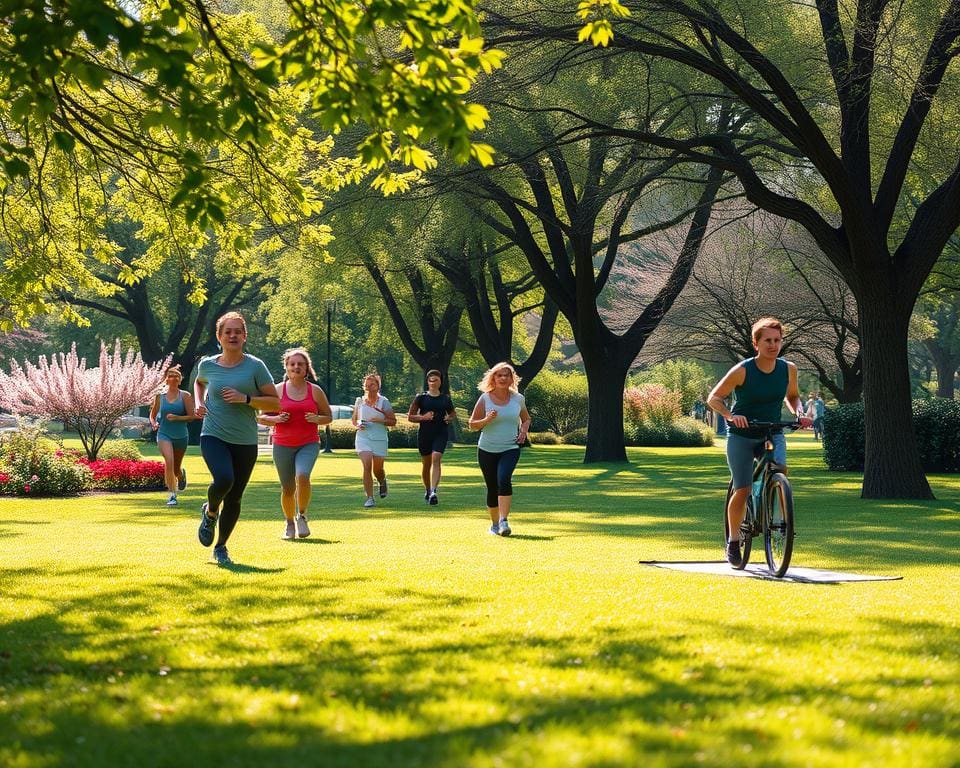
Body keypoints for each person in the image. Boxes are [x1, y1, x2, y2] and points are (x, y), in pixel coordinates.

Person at [708, 317, 801, 567]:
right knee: (743, 488)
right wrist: (730, 416)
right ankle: (734, 541)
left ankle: (781, 520)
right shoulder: (743, 370)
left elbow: (792, 397)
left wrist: (799, 414)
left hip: (772, 431)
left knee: (780, 471)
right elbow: (714, 398)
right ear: (756, 343)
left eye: (777, 340)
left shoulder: (788, 369)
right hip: (742, 436)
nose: (773, 345)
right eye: (768, 340)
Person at [194, 311, 280, 565]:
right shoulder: (207, 365)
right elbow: (199, 383)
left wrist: (247, 399)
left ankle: (221, 547)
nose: (233, 336)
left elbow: (275, 401)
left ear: (245, 336)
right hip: (213, 434)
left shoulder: (255, 366)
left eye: (237, 332)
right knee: (224, 479)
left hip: (244, 440)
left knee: (235, 496)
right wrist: (199, 403)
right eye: (227, 332)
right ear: (219, 337)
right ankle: (210, 513)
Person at [257, 348, 332, 540]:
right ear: (287, 368)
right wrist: (276, 420)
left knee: (303, 476)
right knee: (288, 488)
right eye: (292, 364)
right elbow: (261, 417)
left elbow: (328, 417)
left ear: (307, 368)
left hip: (308, 443)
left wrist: (316, 418)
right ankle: (289, 523)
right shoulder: (277, 390)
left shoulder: (315, 391)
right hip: (282, 444)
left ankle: (302, 515)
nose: (296, 367)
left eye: (300, 364)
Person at [468, 362, 531, 537]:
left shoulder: (518, 399)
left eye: (506, 375)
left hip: (510, 448)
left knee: (504, 479)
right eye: (499, 375)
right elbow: (472, 425)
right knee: (492, 486)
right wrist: (486, 420)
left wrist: (523, 431)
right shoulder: (485, 398)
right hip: (487, 449)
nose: (503, 378)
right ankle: (494, 524)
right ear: (493, 378)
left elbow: (526, 419)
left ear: (512, 379)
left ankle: (504, 520)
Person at [407, 369, 456, 505]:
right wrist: (423, 417)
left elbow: (453, 413)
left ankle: (434, 491)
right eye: (431, 380)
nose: (433, 382)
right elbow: (410, 417)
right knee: (426, 464)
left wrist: (449, 417)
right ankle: (428, 490)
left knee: (436, 457)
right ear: (427, 382)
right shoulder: (421, 398)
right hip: (425, 434)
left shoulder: (445, 398)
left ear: (440, 381)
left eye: (436, 380)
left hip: (441, 432)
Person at [149, 364, 196, 507]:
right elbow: (152, 415)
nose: (174, 378)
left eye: (177, 376)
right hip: (164, 434)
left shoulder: (185, 396)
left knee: (176, 467)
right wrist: (153, 423)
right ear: (166, 380)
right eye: (170, 376)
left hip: (181, 436)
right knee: (169, 462)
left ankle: (180, 475)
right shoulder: (160, 396)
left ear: (180, 380)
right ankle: (172, 495)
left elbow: (191, 416)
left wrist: (177, 418)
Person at [351, 373, 396, 508]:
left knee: (378, 469)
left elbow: (393, 421)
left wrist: (381, 420)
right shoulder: (359, 401)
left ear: (378, 386)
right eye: (367, 384)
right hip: (363, 437)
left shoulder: (384, 402)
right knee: (366, 466)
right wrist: (358, 425)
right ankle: (370, 498)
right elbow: (354, 420)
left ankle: (382, 481)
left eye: (373, 385)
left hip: (379, 438)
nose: (369, 387)